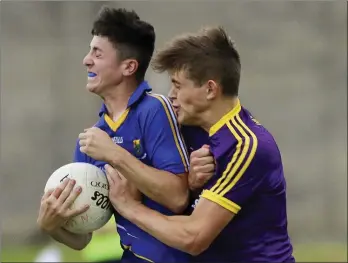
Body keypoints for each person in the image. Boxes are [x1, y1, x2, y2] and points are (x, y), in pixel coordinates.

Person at [37, 7, 214, 263]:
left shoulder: (154, 109)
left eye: (97, 54)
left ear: (128, 66)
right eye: (89, 52)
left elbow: (177, 197)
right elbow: (83, 238)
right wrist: (52, 226)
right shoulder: (92, 139)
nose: (86, 60)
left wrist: (114, 154)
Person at [105, 26, 295, 262]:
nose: (171, 94)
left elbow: (194, 238)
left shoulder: (248, 146)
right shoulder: (186, 129)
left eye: (178, 85)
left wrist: (128, 207)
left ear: (210, 89)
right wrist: (191, 183)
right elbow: (178, 199)